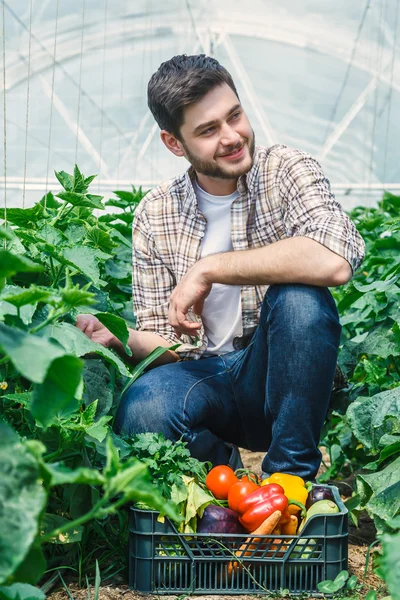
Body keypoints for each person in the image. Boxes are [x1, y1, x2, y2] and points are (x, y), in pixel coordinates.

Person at [77, 54, 365, 480]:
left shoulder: (284, 169)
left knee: (300, 297)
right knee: (143, 409)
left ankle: (290, 482)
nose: (232, 137)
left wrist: (209, 268)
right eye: (208, 130)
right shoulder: (156, 212)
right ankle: (222, 482)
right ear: (175, 143)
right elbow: (168, 348)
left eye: (235, 116)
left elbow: (335, 259)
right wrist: (120, 336)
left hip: (278, 377)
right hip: (205, 377)